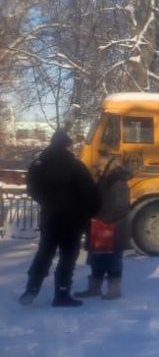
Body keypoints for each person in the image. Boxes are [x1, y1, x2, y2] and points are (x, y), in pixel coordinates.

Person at [19, 130, 101, 307]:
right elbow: (90, 192)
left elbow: (32, 188)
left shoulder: (39, 163)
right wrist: (91, 212)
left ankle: (31, 290)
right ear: (67, 144)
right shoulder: (75, 165)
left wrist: (48, 202)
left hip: (50, 218)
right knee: (67, 258)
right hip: (72, 221)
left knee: (44, 253)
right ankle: (62, 294)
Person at [76, 160, 133, 300]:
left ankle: (114, 291)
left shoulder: (118, 183)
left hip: (113, 229)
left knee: (112, 260)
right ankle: (94, 289)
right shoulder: (106, 181)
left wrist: (103, 220)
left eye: (100, 166)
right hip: (101, 227)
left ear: (109, 168)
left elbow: (121, 207)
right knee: (97, 259)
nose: (98, 169)